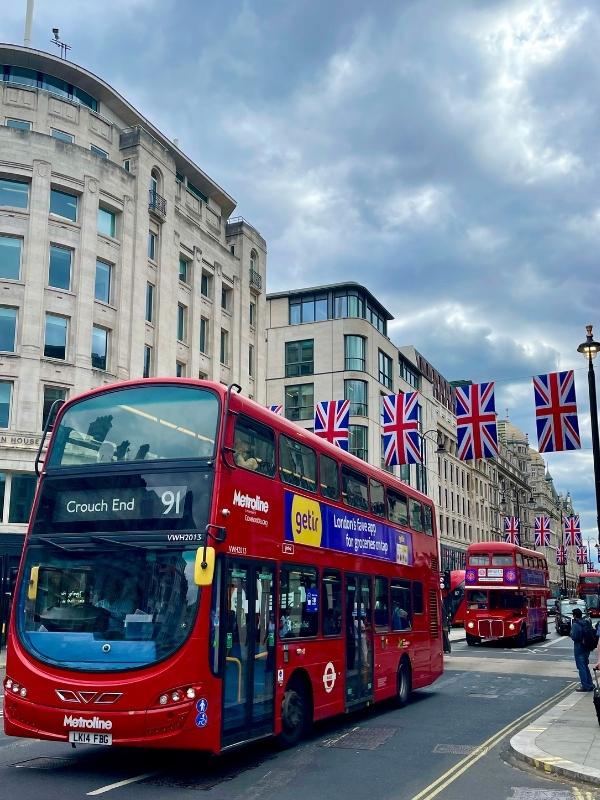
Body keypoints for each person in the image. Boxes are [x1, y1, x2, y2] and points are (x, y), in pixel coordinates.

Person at [570, 607, 594, 692]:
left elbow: (575, 637)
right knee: (585, 666)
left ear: (575, 615)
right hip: (587, 648)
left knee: (581, 667)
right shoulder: (585, 622)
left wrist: (571, 634)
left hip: (579, 648)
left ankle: (585, 686)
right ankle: (590, 684)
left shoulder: (576, 625)